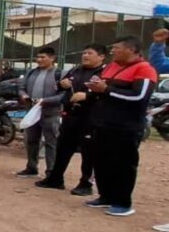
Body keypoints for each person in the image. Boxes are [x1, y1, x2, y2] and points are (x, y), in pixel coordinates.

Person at [84, 36, 158, 217]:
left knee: (123, 165)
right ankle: (105, 196)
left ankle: (123, 203)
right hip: (103, 124)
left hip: (126, 127)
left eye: (116, 48)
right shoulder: (111, 66)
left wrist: (106, 90)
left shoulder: (144, 69)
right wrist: (95, 88)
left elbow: (138, 97)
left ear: (131, 50)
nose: (112, 51)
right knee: (101, 162)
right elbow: (102, 90)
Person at [36, 44, 106, 193]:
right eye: (84, 52)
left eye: (90, 53)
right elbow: (59, 87)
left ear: (101, 56)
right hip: (71, 115)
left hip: (91, 118)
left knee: (89, 152)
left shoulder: (104, 72)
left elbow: (107, 93)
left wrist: (88, 96)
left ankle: (85, 184)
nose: (85, 56)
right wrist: (62, 84)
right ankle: (55, 179)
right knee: (63, 148)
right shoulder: (75, 70)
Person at [16, 47, 62, 179]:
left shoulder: (59, 74)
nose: (39, 60)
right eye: (38, 57)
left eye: (43, 57)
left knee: (51, 142)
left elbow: (63, 94)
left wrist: (46, 101)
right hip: (32, 112)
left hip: (50, 113)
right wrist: (24, 95)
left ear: (52, 58)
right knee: (31, 141)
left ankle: (51, 171)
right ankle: (31, 168)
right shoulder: (31, 72)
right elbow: (21, 88)